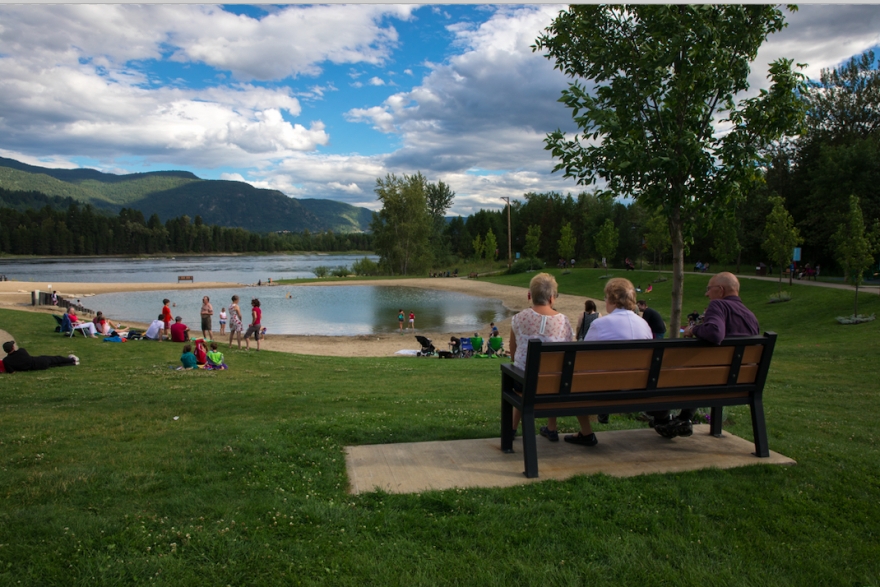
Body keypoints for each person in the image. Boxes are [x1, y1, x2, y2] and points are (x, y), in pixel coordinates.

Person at [652, 271, 760, 439]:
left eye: (709, 289)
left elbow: (715, 333)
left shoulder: (718, 305)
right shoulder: (750, 316)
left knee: (665, 374)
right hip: (741, 381)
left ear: (721, 290)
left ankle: (663, 420)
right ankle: (683, 419)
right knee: (700, 376)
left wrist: (692, 329)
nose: (707, 293)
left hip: (713, 379)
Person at [508, 273, 579, 445]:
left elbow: (513, 351)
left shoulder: (518, 319)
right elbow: (569, 351)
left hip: (524, 381)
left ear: (529, 296)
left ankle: (511, 428)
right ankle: (551, 427)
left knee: (521, 372)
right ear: (552, 298)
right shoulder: (563, 321)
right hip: (554, 382)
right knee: (552, 372)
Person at [578, 278, 653, 430]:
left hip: (607, 387)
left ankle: (586, 431)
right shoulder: (644, 324)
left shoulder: (599, 324)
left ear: (612, 300)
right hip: (640, 385)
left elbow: (583, 358)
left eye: (606, 298)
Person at [2, 341, 78, 372]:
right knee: (56, 359)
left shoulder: (6, 361)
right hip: (38, 362)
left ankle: (73, 363)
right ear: (13, 347)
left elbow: (11, 371)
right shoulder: (21, 351)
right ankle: (72, 360)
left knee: (54, 365)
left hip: (33, 368)